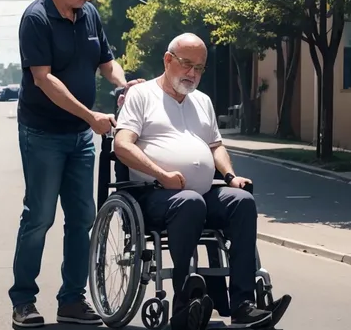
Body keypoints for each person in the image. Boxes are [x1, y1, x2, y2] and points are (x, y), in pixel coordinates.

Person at [113, 33, 290, 330]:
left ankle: (243, 304)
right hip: (154, 194)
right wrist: (162, 174)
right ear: (168, 60)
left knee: (242, 202)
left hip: (201, 193)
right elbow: (122, 145)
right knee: (189, 202)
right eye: (186, 65)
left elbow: (215, 146)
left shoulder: (203, 101)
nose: (193, 74)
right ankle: (184, 303)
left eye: (199, 68)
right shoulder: (141, 96)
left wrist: (231, 177)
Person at [9, 0, 141, 328]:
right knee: (39, 217)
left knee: (82, 217)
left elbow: (106, 60)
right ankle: (23, 302)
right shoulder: (36, 19)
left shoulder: (89, 15)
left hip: (80, 136)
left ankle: (71, 300)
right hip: (42, 133)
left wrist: (123, 84)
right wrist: (91, 116)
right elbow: (43, 79)